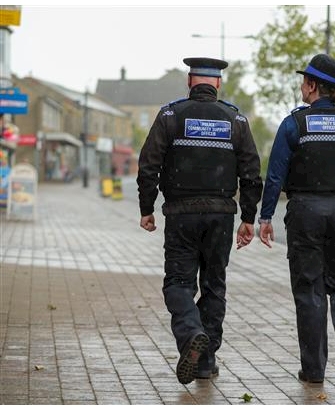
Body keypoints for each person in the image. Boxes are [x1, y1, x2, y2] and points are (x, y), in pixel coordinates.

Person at [137, 57, 263, 385]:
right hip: (221, 216)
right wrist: (248, 217)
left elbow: (148, 164)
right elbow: (252, 173)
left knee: (178, 283)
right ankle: (206, 362)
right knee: (213, 285)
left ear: (189, 81)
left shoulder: (170, 116)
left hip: (181, 215)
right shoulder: (236, 120)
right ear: (218, 83)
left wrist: (147, 208)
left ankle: (191, 332)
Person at [258, 54, 335, 383]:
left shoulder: (294, 124)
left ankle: (313, 370)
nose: (301, 87)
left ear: (312, 86)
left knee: (309, 288)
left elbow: (275, 175)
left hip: (305, 210)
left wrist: (266, 216)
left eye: (303, 81)